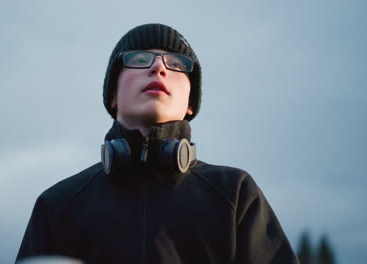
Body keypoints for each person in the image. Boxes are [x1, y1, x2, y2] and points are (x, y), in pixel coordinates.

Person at [16, 23, 300, 264]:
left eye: (177, 65)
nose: (158, 68)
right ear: (113, 95)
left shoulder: (235, 194)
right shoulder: (57, 205)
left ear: (190, 103)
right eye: (139, 60)